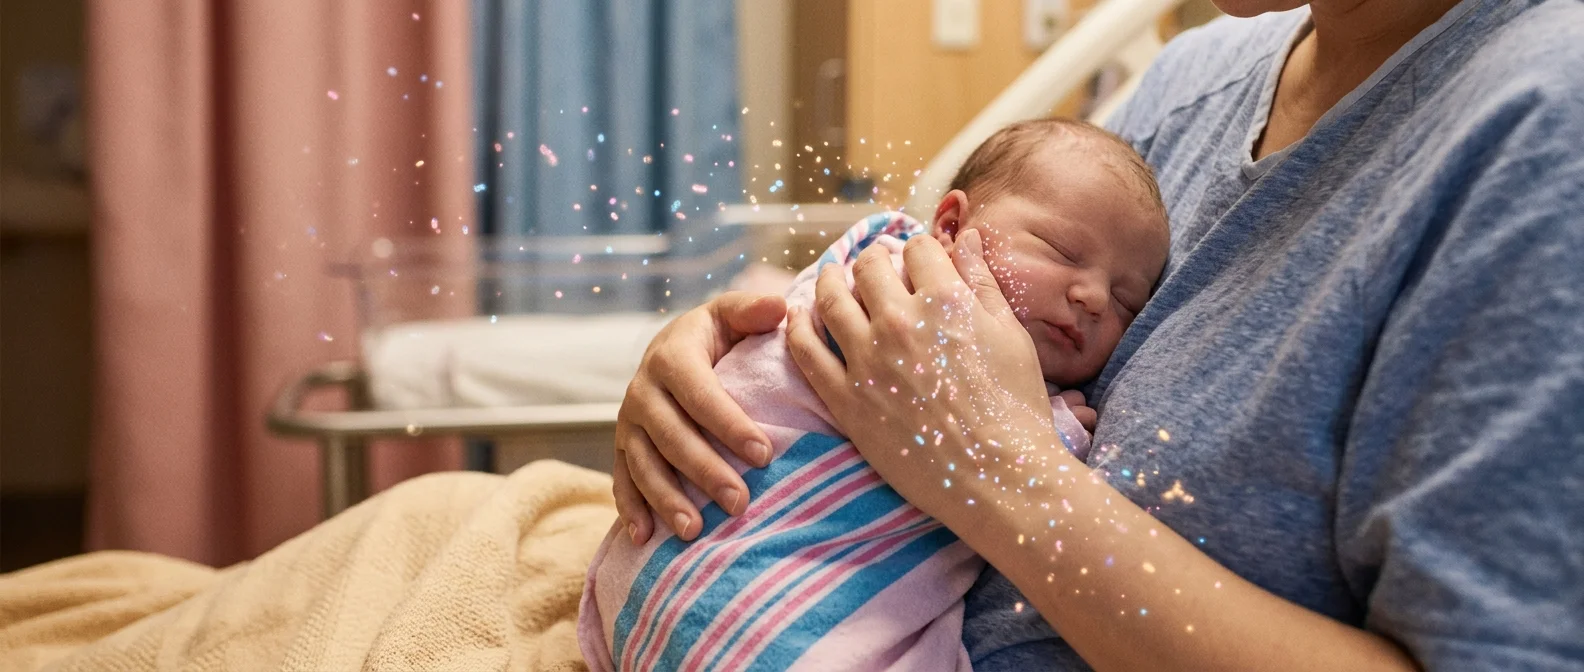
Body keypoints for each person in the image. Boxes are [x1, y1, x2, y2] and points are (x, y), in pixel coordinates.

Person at [613, 0, 1584, 669]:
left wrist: (991, 467)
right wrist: (743, 360)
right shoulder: (1193, 81)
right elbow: (966, 309)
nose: (1093, 303)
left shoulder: (1540, 132)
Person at [578, 119, 1169, 671]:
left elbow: (1028, 474)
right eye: (1060, 251)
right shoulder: (886, 275)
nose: (1093, 297)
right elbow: (794, 336)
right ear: (951, 227)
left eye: (1127, 302)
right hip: (738, 576)